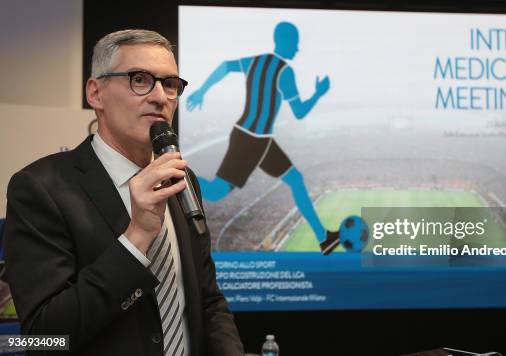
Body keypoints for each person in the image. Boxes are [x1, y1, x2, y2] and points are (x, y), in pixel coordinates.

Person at [2, 29, 243, 356]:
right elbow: (44, 338)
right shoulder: (40, 188)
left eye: (170, 84)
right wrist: (136, 238)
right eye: (140, 79)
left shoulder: (182, 178)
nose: (160, 96)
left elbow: (208, 300)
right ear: (96, 92)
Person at [186, 22, 338, 254]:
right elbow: (299, 112)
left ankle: (324, 238)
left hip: (260, 140)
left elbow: (225, 66)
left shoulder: (256, 61)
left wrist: (202, 90)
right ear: (286, 42)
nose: (297, 50)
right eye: (296, 44)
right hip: (252, 140)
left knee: (295, 180)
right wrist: (318, 93)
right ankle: (177, 179)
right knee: (216, 192)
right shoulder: (285, 72)